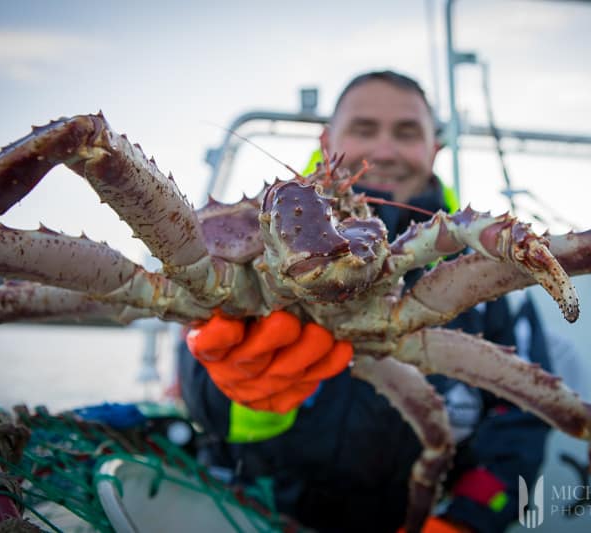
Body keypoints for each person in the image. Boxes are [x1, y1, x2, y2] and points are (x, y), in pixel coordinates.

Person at [178, 70, 552, 533]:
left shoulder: (482, 269)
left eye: (407, 132)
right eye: (364, 129)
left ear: (435, 148)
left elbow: (525, 418)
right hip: (260, 512)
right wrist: (228, 378)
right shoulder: (248, 233)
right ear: (327, 137)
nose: (384, 150)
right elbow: (203, 400)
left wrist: (466, 521)